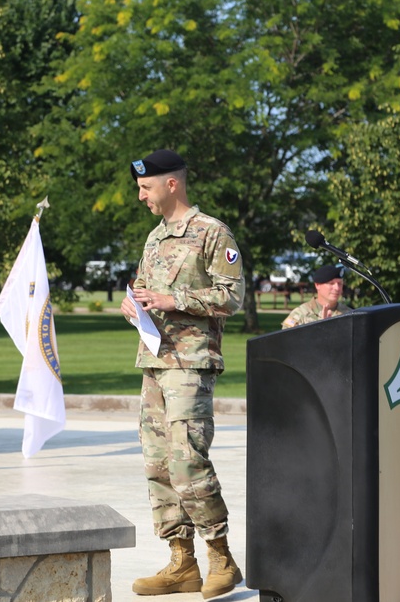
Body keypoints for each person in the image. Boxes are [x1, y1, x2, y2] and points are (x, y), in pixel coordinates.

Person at [119, 149, 245, 599]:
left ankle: (221, 558)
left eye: (145, 187)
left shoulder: (213, 232)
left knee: (187, 460)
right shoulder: (154, 238)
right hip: (155, 361)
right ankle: (181, 562)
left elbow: (232, 297)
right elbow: (145, 288)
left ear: (171, 184)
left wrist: (175, 300)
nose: (141, 196)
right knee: (157, 465)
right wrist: (135, 303)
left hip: (190, 364)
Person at [280, 264, 352, 329]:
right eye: (331, 283)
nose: (337, 288)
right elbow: (286, 341)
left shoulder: (349, 314)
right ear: (317, 285)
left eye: (339, 283)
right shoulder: (300, 314)